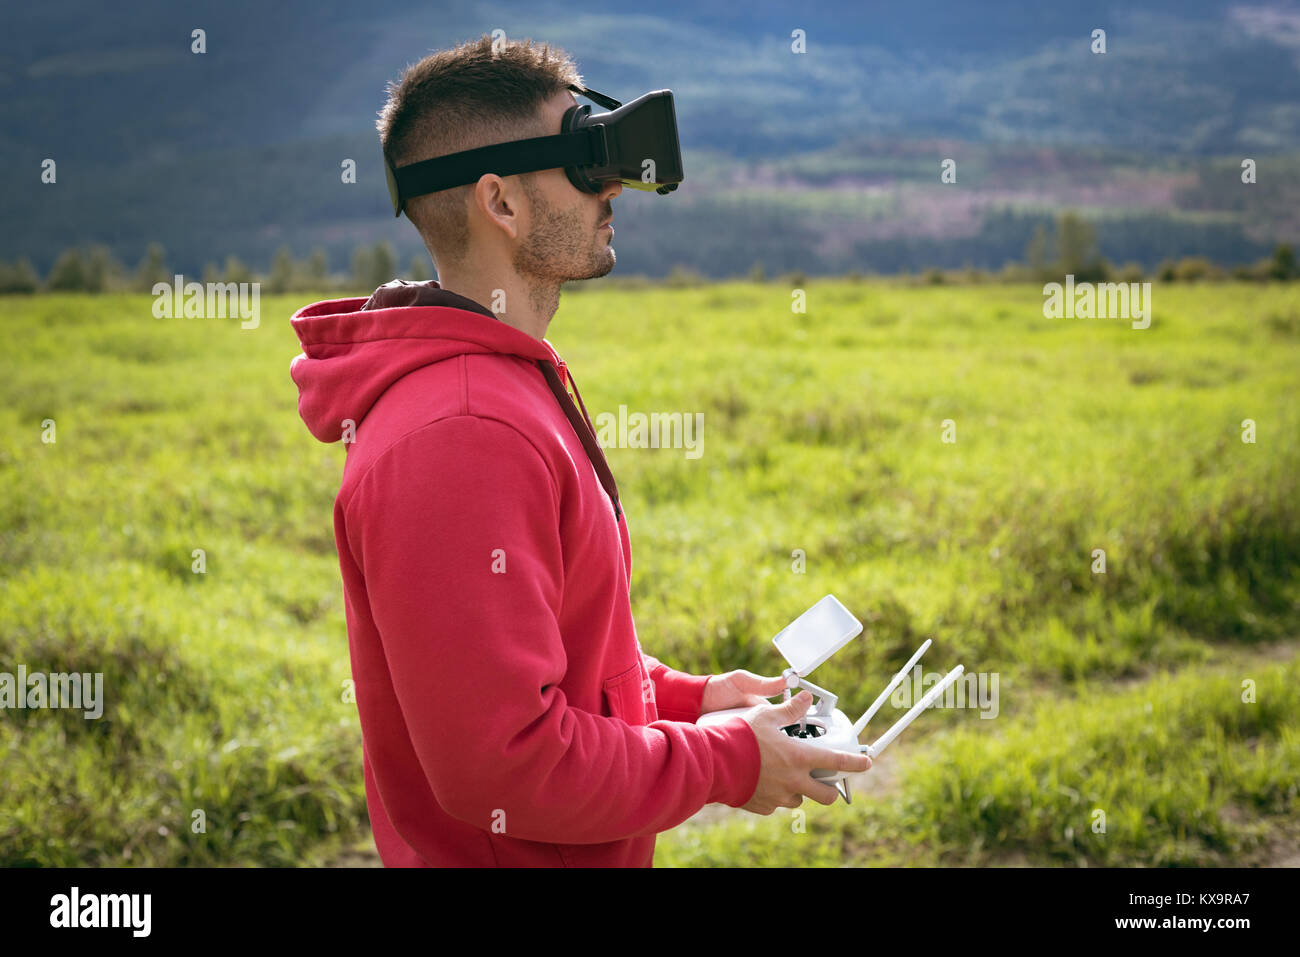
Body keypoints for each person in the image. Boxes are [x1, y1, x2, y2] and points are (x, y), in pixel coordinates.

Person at [288, 34, 869, 867]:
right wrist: (731, 758)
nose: (614, 187)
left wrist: (690, 698)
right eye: (585, 158)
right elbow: (505, 766)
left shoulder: (505, 381)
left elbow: (547, 665)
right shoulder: (461, 432)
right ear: (502, 203)